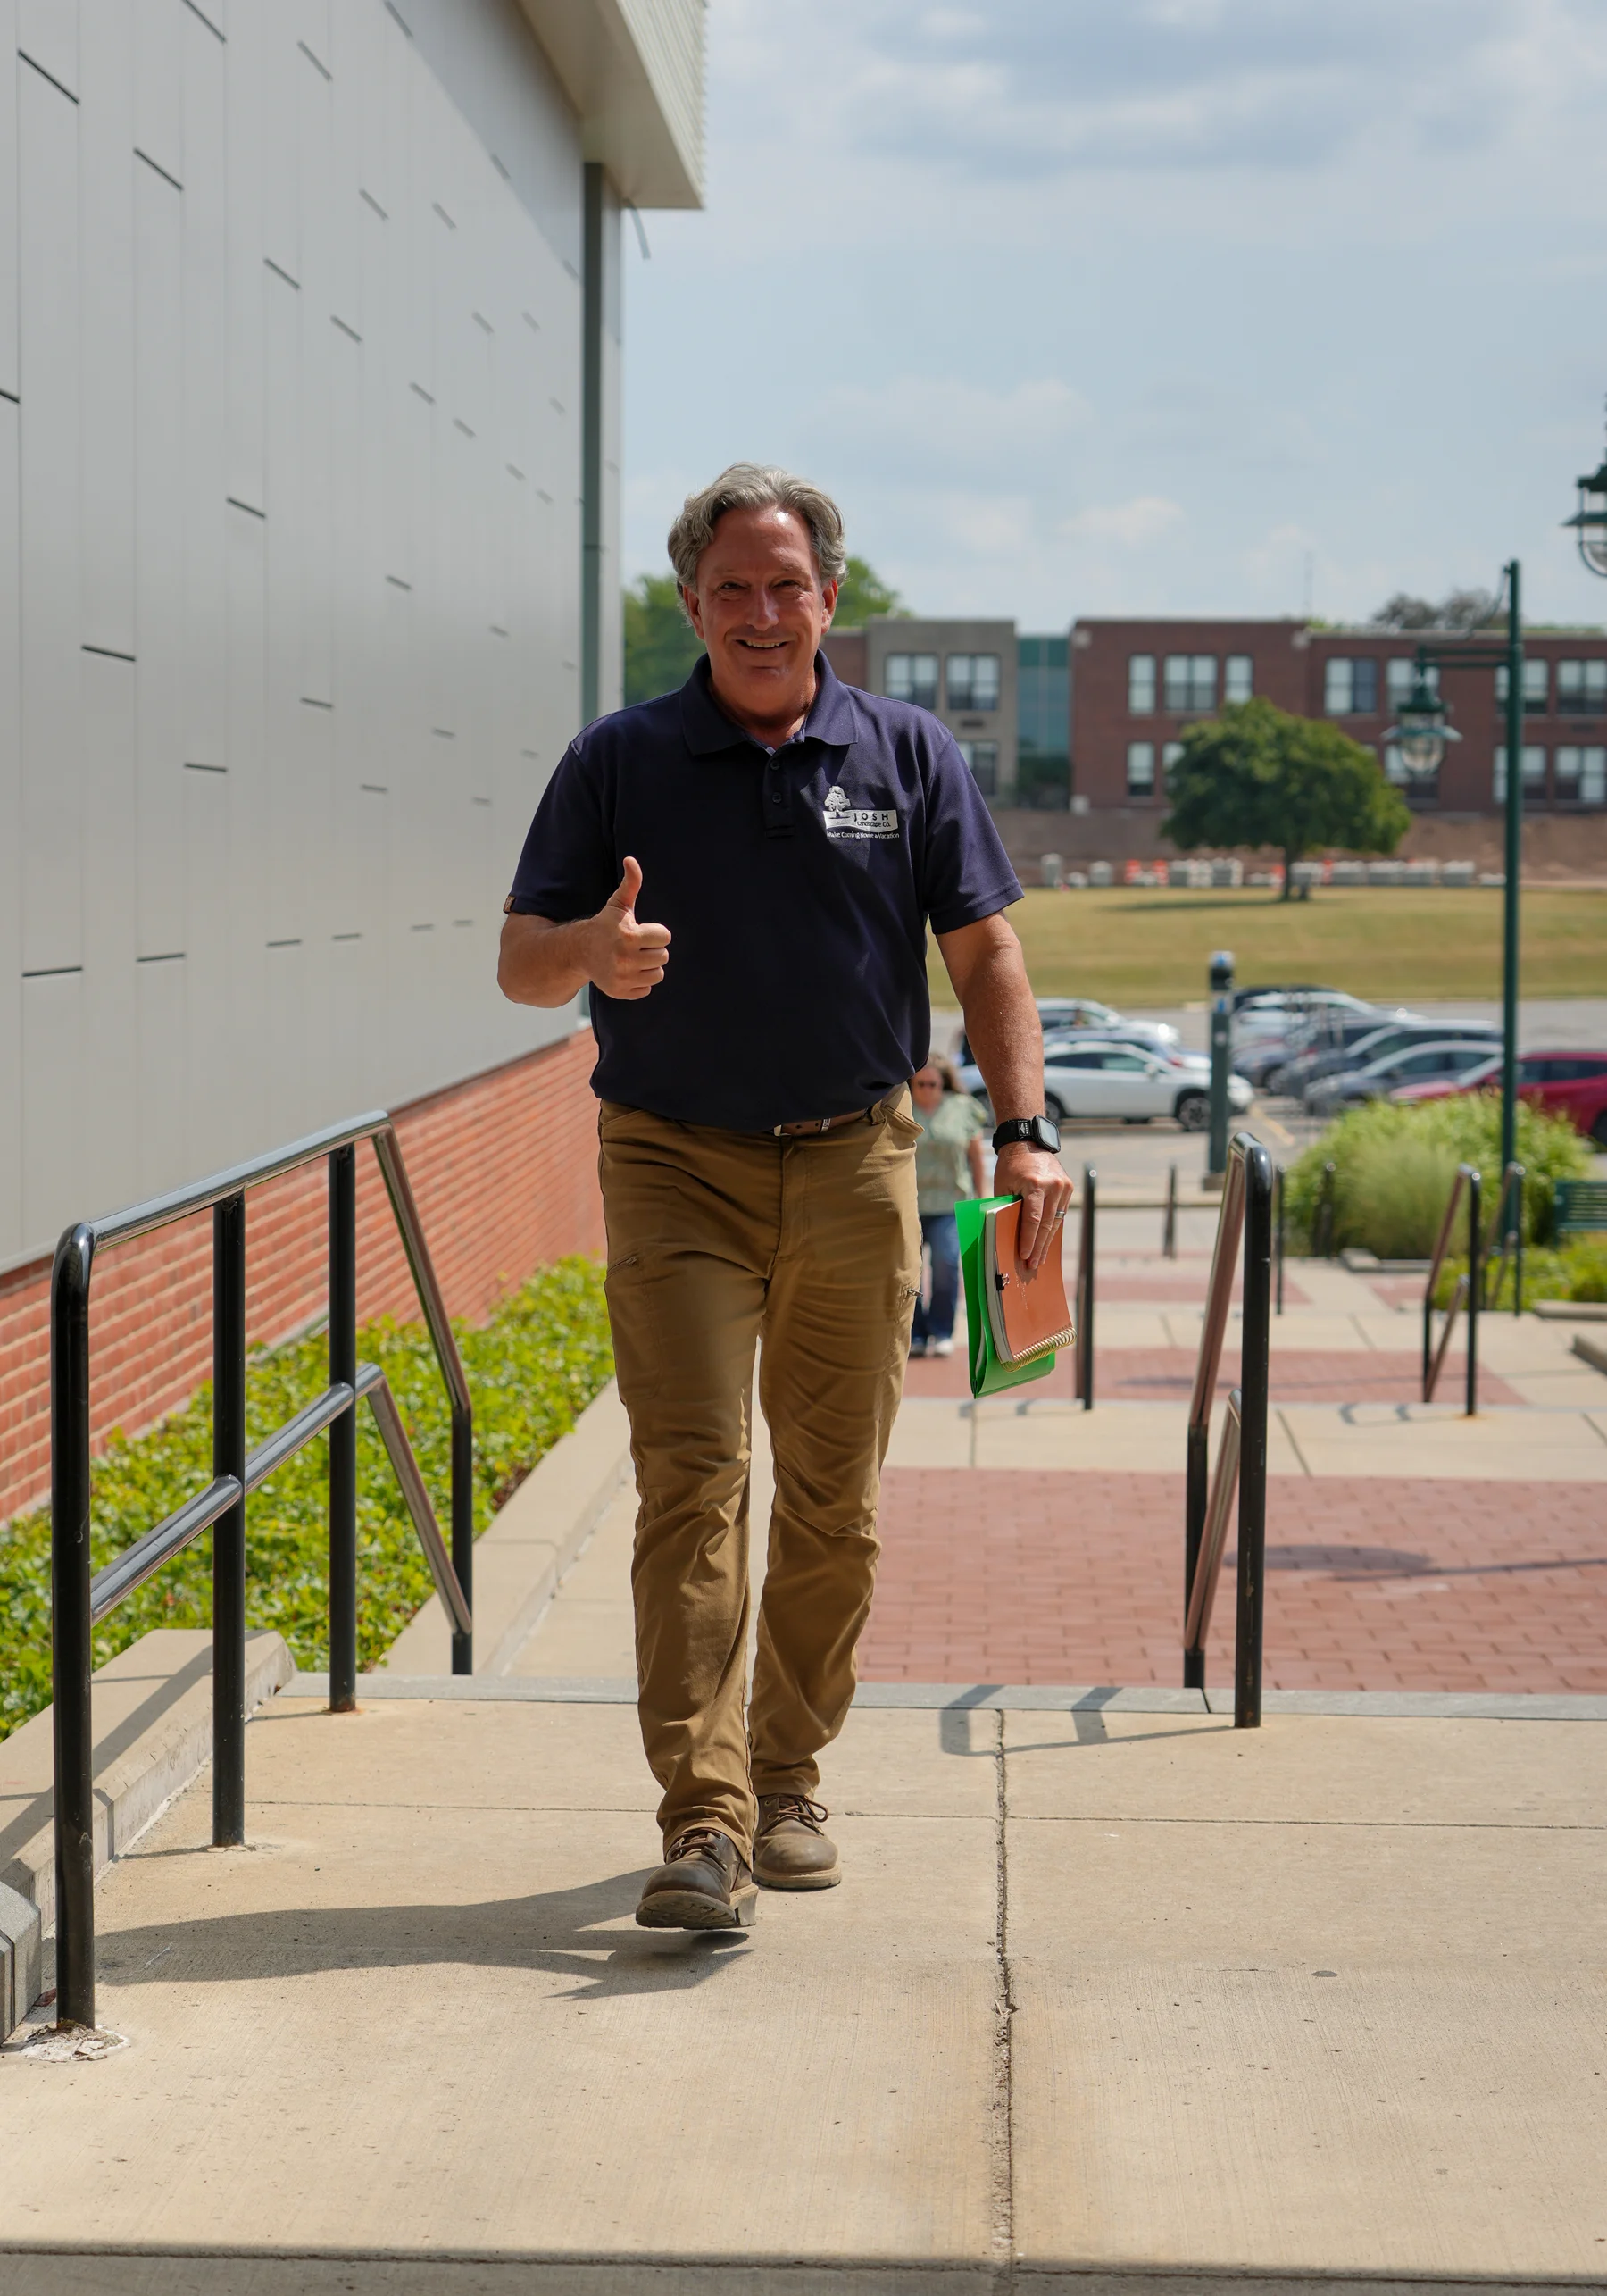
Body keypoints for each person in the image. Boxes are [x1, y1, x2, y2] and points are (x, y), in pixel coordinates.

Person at [496, 463, 1072, 1933]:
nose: (761, 613)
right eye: (732, 589)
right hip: (672, 1161)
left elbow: (989, 957)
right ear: (692, 603)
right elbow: (520, 961)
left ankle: (788, 1773)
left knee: (835, 1498)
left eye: (787, 585)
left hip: (857, 1160)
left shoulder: (908, 751)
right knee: (693, 1482)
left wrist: (1024, 1132)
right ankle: (704, 1819)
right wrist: (591, 955)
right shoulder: (617, 759)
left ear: (830, 596)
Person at [908, 1057, 988, 1358]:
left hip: (950, 1203)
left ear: (944, 1084)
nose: (927, 1090)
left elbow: (976, 1157)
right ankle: (915, 1333)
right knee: (909, 1273)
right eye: (920, 1084)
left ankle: (942, 1331)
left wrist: (982, 1199)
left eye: (933, 1084)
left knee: (946, 1265)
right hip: (909, 1205)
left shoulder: (962, 1107)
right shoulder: (900, 1107)